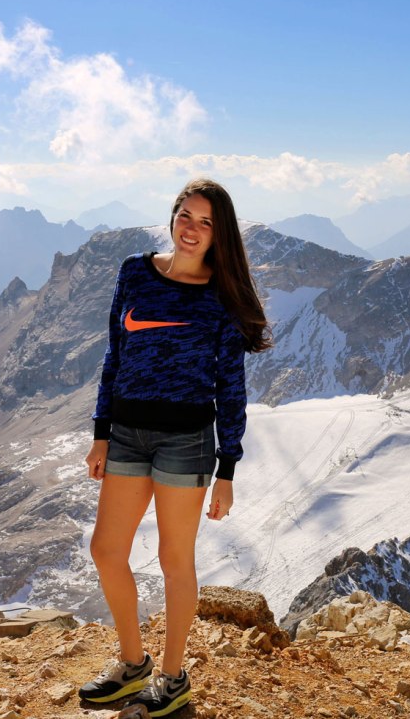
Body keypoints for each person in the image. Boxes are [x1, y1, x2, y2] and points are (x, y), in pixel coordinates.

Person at [77, 178, 271, 717]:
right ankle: (133, 665)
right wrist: (100, 432)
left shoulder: (221, 298)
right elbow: (114, 357)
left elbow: (231, 387)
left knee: (173, 559)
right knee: (106, 551)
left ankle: (172, 677)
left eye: (206, 222)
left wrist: (227, 466)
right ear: (173, 217)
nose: (192, 228)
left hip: (187, 442)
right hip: (126, 435)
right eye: (186, 214)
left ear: (219, 234)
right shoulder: (134, 272)